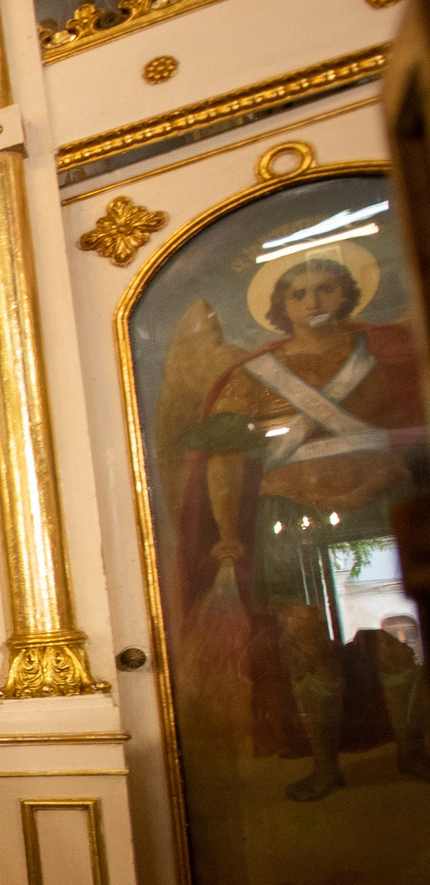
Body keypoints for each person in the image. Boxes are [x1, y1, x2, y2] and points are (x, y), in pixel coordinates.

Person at [170, 247, 428, 798]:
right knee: (305, 638)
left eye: (326, 288)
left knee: (392, 633)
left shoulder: (383, 356)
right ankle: (326, 764)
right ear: (279, 304)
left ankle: (411, 749)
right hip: (291, 514)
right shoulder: (252, 377)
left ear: (347, 295)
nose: (313, 301)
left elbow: (412, 421)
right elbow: (226, 458)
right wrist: (229, 534)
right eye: (299, 291)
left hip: (373, 503)